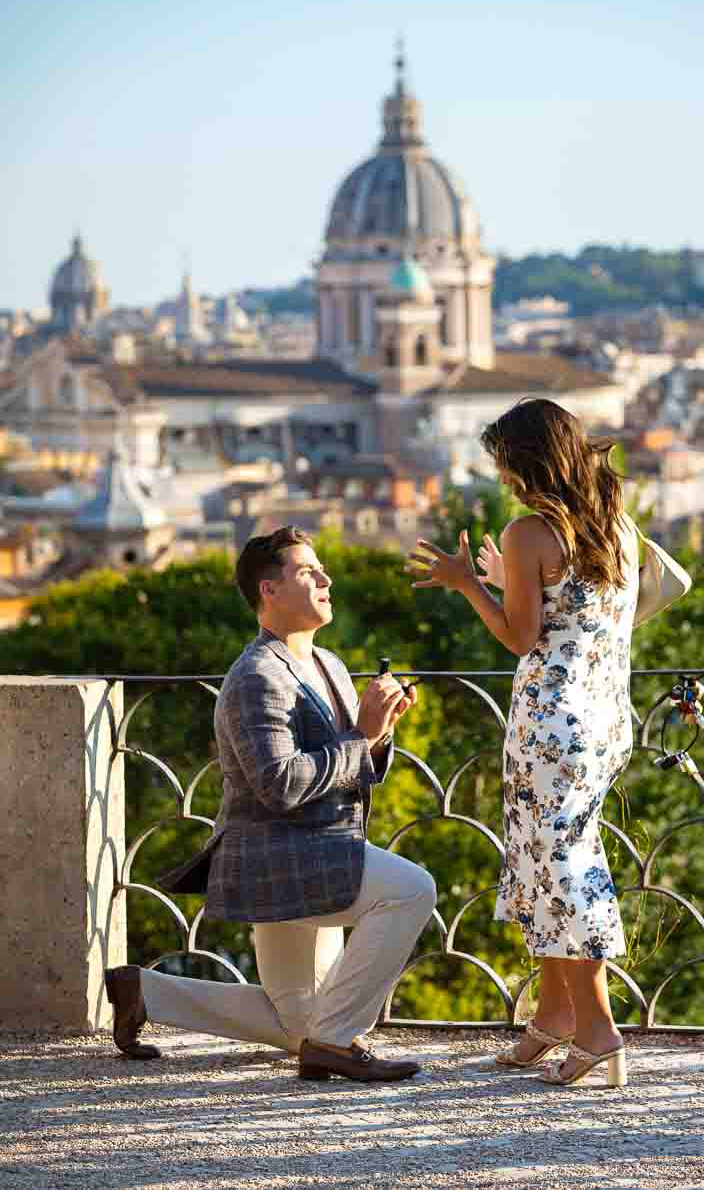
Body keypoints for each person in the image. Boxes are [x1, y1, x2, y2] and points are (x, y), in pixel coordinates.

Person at [105, 526, 436, 1083]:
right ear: (269, 591)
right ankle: (334, 1044)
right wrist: (361, 739)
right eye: (308, 572)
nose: (326, 579)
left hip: (316, 850)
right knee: (413, 889)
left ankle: (144, 991)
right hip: (282, 861)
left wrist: (377, 735)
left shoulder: (327, 663)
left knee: (294, 1026)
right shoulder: (257, 676)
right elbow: (277, 783)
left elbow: (348, 759)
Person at [406, 399, 637, 1088]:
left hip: (548, 721)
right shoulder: (616, 527)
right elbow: (577, 616)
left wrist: (467, 585)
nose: (501, 476)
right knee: (547, 860)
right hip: (602, 719)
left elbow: (518, 637)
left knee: (562, 869)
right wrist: (508, 580)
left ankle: (596, 1031)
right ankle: (554, 1018)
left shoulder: (528, 532)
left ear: (525, 461)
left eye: (504, 463)